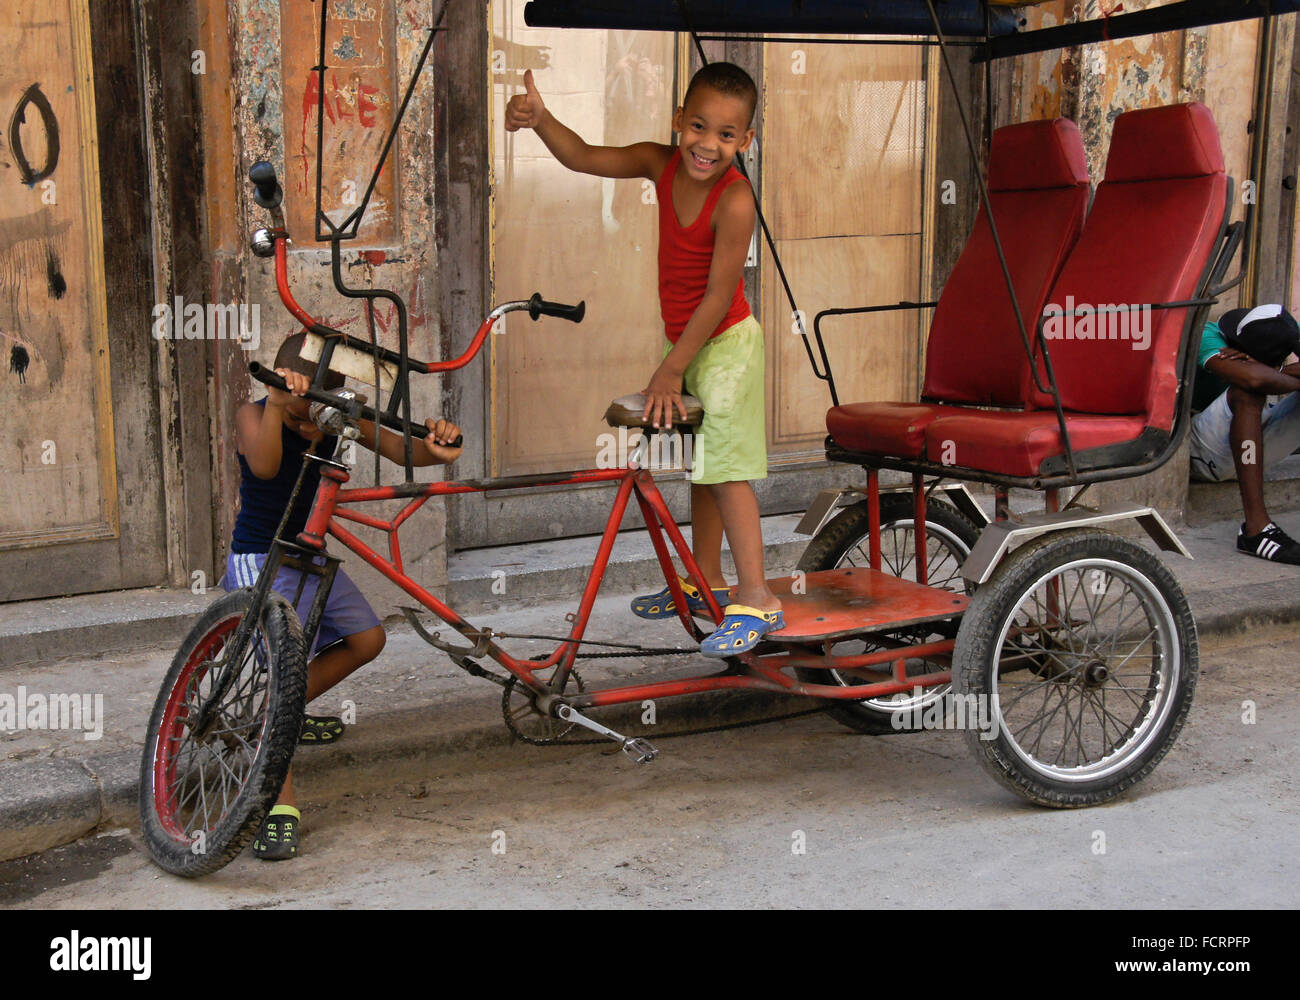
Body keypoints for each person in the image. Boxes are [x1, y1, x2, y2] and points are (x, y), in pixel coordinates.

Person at [505, 61, 784, 656]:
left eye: (727, 135)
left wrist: (671, 368)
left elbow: (717, 297)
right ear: (679, 120)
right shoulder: (660, 161)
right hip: (683, 346)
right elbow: (582, 157)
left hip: (726, 345)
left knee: (726, 470)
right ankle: (703, 579)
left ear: (746, 141)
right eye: (699, 127)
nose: (708, 145)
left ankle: (757, 595)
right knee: (699, 466)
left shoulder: (735, 200)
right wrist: (541, 120)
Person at [225, 333, 463, 858]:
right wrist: (280, 409)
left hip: (308, 556)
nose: (311, 425)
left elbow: (405, 447)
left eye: (320, 414)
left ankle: (279, 711)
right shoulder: (252, 413)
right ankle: (277, 805)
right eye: (301, 414)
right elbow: (264, 465)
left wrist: (440, 445)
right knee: (283, 674)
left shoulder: (334, 418)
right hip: (261, 559)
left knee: (367, 637)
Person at [1189, 304, 1300, 563]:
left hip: (1250, 448)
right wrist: (1264, 374)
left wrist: (1276, 373)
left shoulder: (1281, 330)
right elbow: (1252, 380)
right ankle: (1256, 530)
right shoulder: (1209, 334)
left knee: (1255, 387)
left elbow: (1261, 376)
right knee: (1247, 390)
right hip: (1202, 451)